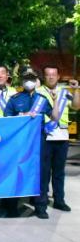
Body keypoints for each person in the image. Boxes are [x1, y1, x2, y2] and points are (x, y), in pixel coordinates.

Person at [4, 68, 60, 219]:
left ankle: (40, 207)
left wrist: (55, 100)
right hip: (19, 143)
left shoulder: (42, 99)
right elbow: (7, 119)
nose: (29, 81)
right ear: (22, 81)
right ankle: (12, 207)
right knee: (17, 172)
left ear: (36, 81)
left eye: (32, 79)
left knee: (41, 173)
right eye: (26, 79)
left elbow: (54, 117)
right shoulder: (15, 99)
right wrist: (23, 115)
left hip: (39, 141)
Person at [35, 65, 80, 215]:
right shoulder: (38, 92)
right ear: (44, 77)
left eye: (53, 74)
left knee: (59, 172)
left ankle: (59, 200)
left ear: (58, 76)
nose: (51, 77)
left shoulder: (64, 92)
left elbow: (76, 107)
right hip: (45, 136)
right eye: (48, 74)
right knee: (44, 173)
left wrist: (76, 90)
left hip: (62, 136)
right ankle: (41, 205)